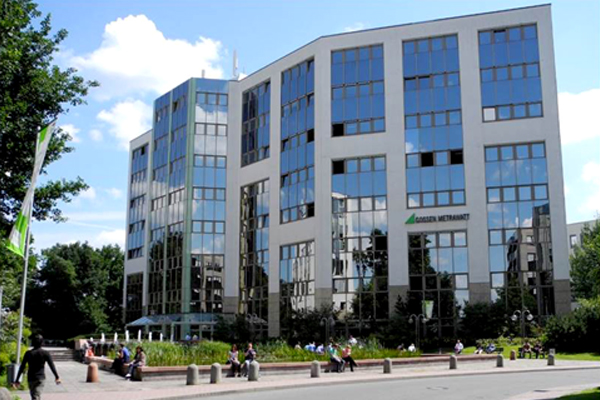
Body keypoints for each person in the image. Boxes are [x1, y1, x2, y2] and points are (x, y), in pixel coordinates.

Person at [12, 334, 61, 400]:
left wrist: (17, 380)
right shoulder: (45, 353)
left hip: (31, 378)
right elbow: (52, 366)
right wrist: (57, 377)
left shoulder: (28, 353)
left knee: (35, 395)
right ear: (42, 342)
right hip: (40, 378)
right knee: (35, 395)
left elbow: (22, 367)